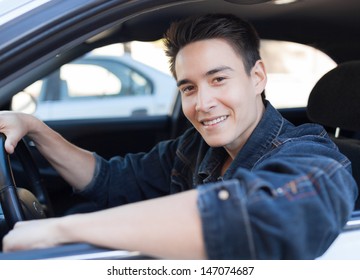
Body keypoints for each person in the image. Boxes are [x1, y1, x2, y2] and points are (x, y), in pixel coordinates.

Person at [0, 14, 357, 259]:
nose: (202, 103)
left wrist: (61, 231)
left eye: (219, 79)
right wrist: (35, 128)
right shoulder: (195, 147)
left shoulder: (312, 154)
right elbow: (111, 180)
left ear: (258, 77)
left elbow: (261, 214)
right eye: (189, 87)